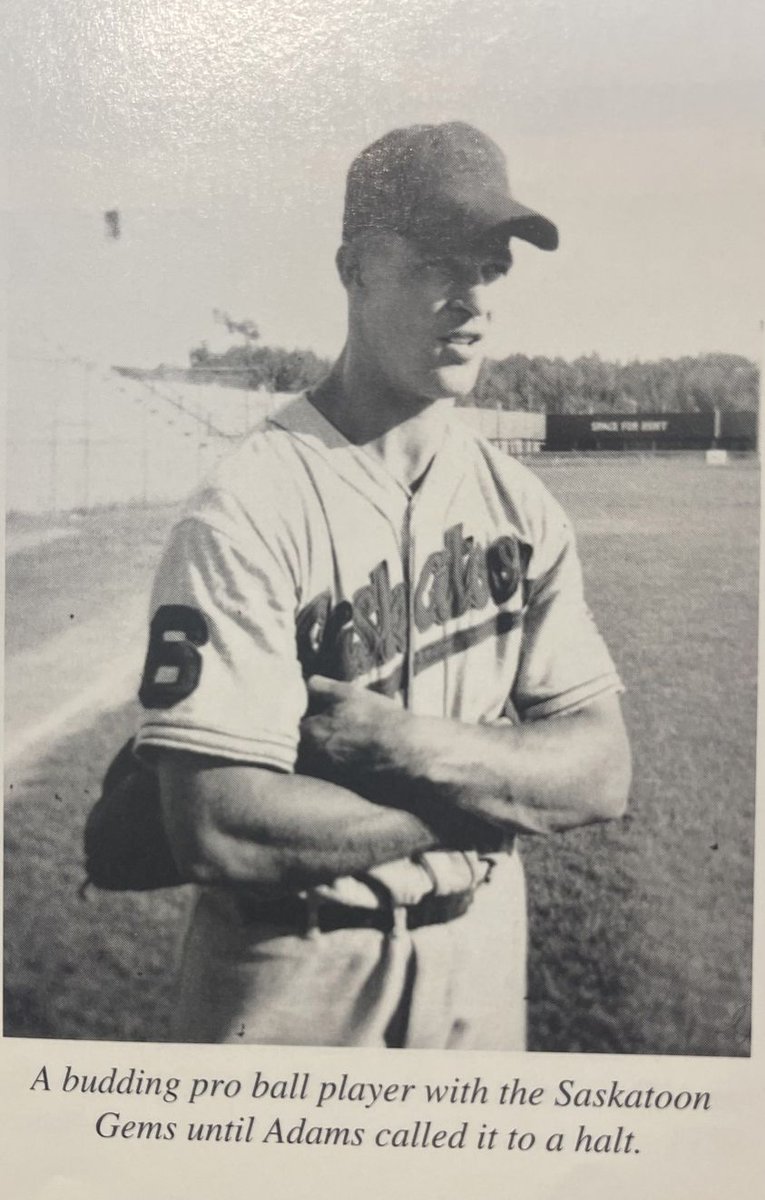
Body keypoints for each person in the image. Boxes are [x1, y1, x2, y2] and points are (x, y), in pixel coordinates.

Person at [134, 121, 631, 1049]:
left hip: (482, 958)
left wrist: (410, 748)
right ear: (354, 269)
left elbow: (601, 772)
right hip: (294, 975)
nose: (473, 299)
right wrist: (492, 788)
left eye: (492, 267)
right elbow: (218, 826)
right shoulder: (246, 506)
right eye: (440, 262)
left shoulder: (519, 506)